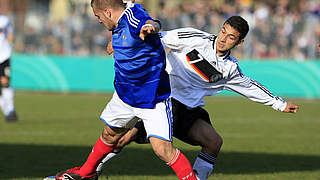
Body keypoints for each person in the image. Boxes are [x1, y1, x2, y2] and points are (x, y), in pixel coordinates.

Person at [96, 15, 299, 180]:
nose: (223, 38)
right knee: (123, 138)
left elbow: (250, 87)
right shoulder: (194, 38)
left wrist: (280, 104)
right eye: (223, 32)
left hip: (187, 111)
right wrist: (122, 43)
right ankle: (92, 171)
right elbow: (157, 36)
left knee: (213, 142)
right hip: (161, 99)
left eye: (231, 37)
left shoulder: (229, 70)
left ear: (240, 42)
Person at [54, 0, 198, 180]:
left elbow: (151, 22)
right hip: (124, 95)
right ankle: (86, 174)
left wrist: (149, 27)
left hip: (151, 99)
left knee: (163, 150)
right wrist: (114, 39)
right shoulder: (120, 16)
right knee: (109, 134)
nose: (98, 20)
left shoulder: (133, 17)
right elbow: (123, 16)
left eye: (98, 16)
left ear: (107, 12)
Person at [0, 13, 18, 122]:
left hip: (3, 56)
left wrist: (10, 40)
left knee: (5, 82)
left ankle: (11, 109)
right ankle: (7, 112)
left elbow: (11, 35)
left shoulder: (3, 20)